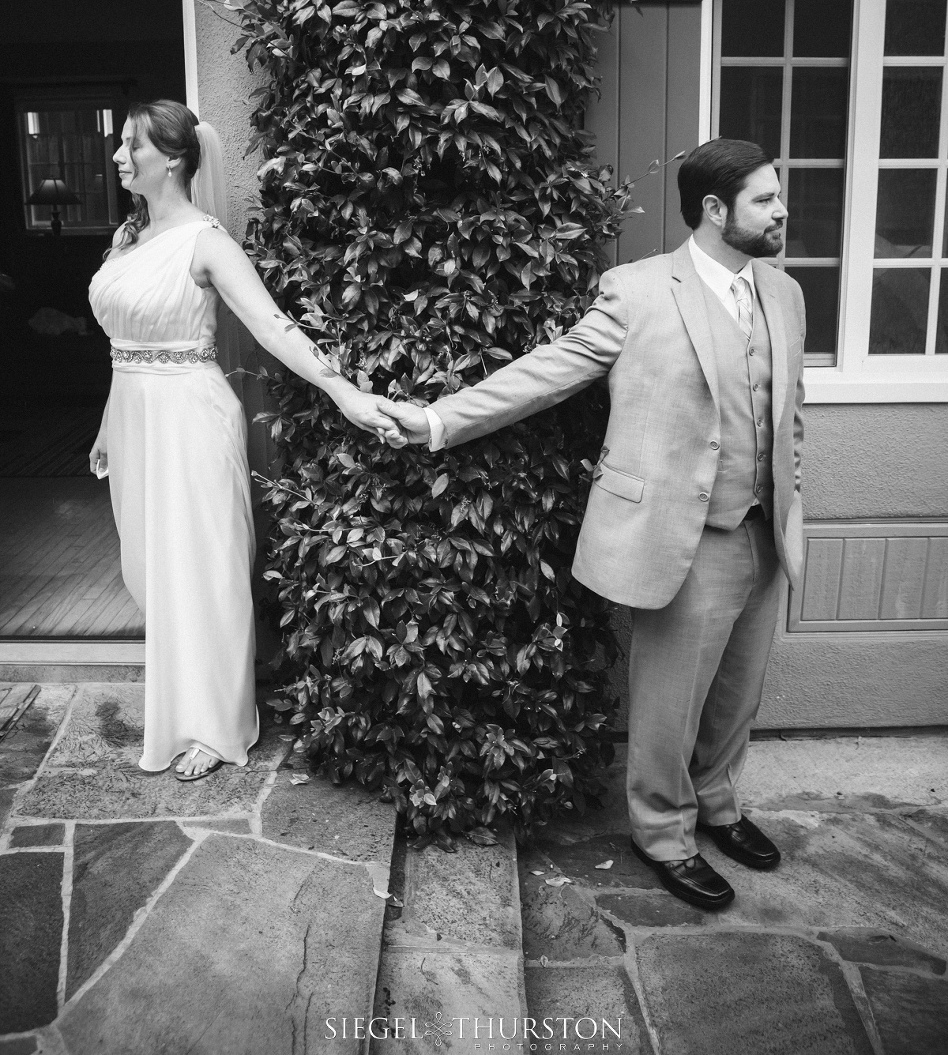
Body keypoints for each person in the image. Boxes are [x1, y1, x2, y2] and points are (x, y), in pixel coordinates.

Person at [379, 138, 805, 911]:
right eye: (765, 200)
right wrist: (436, 420)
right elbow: (550, 371)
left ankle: (718, 804)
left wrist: (790, 490)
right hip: (685, 534)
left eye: (778, 197)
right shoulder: (639, 292)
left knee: (738, 694)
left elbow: (788, 414)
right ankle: (665, 835)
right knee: (671, 703)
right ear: (715, 210)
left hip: (764, 530)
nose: (782, 211)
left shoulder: (784, 294)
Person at [89, 99, 404, 781]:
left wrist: (344, 391)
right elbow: (123, 349)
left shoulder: (207, 243)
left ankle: (216, 723)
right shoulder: (126, 240)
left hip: (191, 418)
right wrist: (108, 423)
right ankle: (182, 703)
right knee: (149, 572)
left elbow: (274, 327)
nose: (118, 157)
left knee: (200, 569)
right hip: (136, 420)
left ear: (170, 158)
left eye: (129, 145)